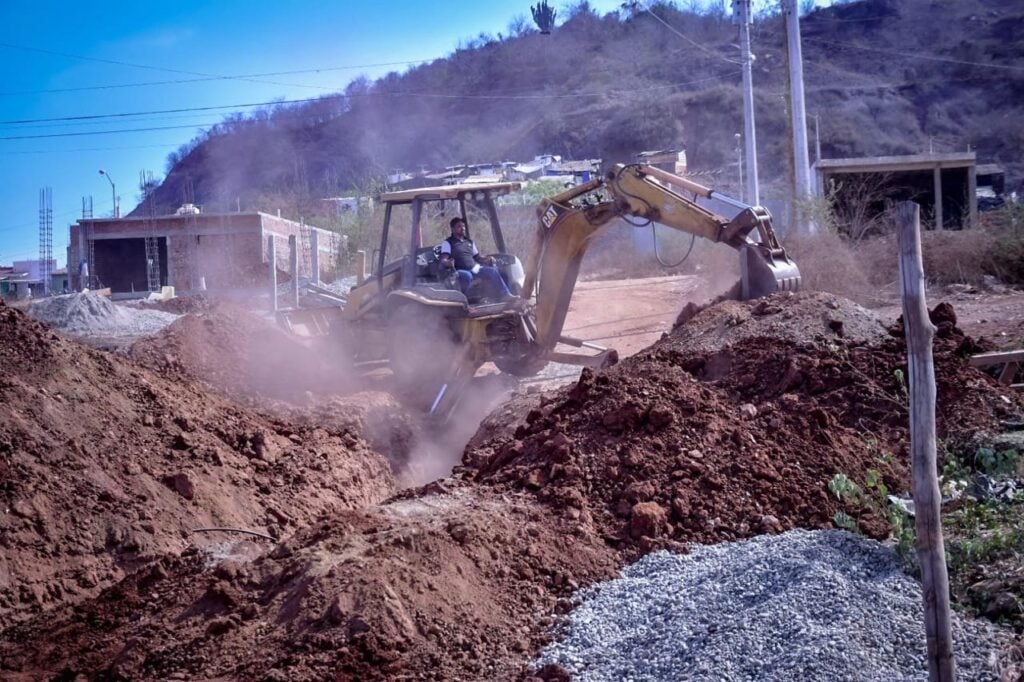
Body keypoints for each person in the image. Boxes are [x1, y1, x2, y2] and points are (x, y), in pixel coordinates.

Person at [438, 217, 513, 300]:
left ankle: (505, 295)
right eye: (459, 226)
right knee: (467, 276)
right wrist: (448, 262)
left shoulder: (469, 242)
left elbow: (478, 257)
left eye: (463, 226)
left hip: (474, 269)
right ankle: (462, 300)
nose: (462, 228)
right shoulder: (448, 243)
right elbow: (443, 260)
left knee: (492, 271)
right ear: (452, 229)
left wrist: (487, 259)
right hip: (459, 270)